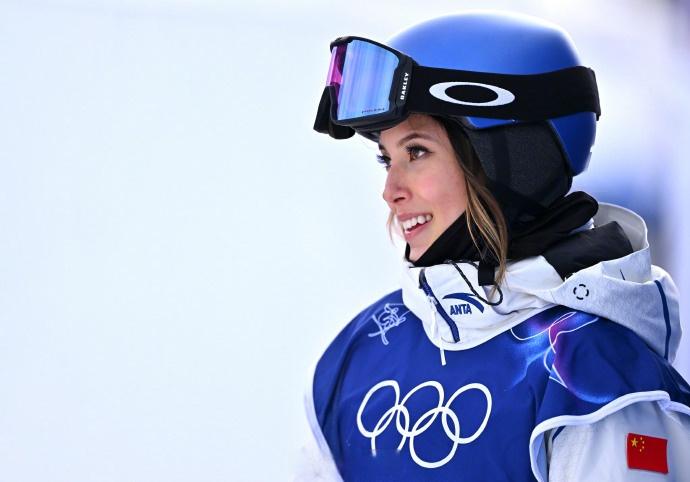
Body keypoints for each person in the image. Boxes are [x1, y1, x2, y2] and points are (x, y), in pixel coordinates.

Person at [302, 11, 690, 481]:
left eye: (417, 152)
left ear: (511, 158)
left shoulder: (592, 382)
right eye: (387, 159)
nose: (391, 191)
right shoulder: (354, 358)